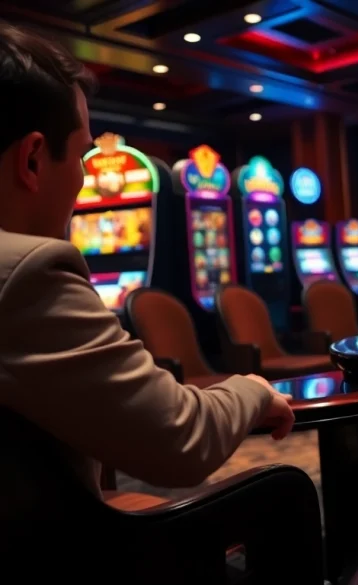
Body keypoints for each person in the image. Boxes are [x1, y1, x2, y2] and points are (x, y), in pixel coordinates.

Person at [0, 22, 294, 517]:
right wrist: (252, 388)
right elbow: (178, 438)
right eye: (81, 156)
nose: (84, 181)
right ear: (32, 160)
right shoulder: (27, 275)